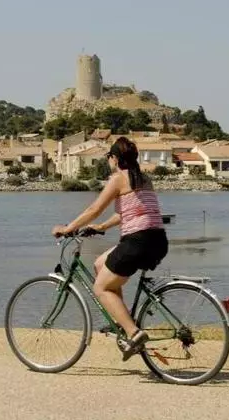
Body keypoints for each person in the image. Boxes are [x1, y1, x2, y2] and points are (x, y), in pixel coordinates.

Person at [52, 136, 168, 361]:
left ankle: (134, 332)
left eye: (109, 158)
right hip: (158, 240)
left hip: (137, 241)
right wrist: (102, 227)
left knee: (101, 289)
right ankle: (121, 322)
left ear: (114, 158)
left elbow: (94, 208)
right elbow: (129, 211)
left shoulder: (117, 179)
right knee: (99, 264)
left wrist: (68, 228)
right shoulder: (143, 178)